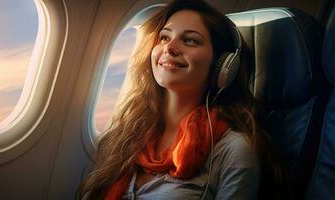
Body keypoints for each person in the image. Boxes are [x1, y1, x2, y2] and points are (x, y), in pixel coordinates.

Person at [78, 0, 282, 199]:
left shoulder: (234, 151)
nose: (170, 47)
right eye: (164, 38)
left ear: (223, 65)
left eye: (190, 40)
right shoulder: (132, 132)